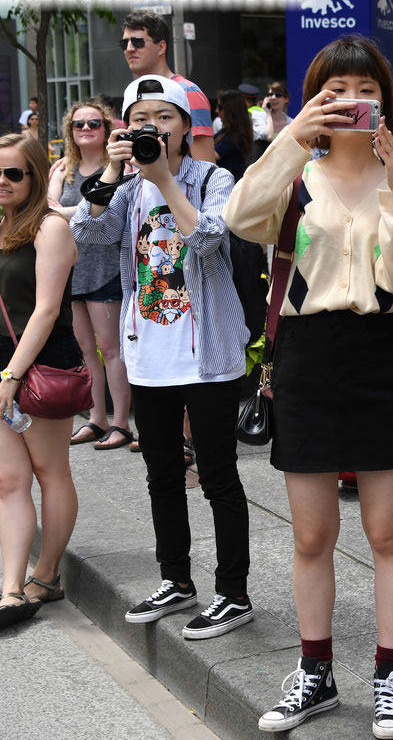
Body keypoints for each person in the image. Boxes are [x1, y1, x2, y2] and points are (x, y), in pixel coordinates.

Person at [224, 35, 393, 738]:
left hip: (377, 353)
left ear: (385, 97)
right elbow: (239, 218)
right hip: (306, 357)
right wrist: (291, 135)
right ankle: (315, 672)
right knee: (312, 534)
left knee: (386, 532)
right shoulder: (292, 178)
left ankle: (388, 677)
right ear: (316, 96)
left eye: (363, 87)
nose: (350, 101)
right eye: (334, 89)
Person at [71, 75, 254, 640]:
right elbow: (86, 233)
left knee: (219, 476)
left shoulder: (213, 177)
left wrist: (165, 181)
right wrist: (111, 171)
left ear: (185, 127)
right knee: (161, 475)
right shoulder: (124, 188)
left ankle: (233, 593)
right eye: (141, 117)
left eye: (165, 116)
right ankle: (176, 579)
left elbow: (208, 239)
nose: (154, 126)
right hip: (148, 357)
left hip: (209, 358)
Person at [0, 134, 82, 632]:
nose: (2, 181)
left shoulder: (50, 229)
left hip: (41, 361)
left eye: (14, 173)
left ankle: (46, 574)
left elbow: (48, 309)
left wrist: (12, 375)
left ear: (34, 176)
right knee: (9, 480)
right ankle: (11, 587)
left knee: (50, 472)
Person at [46, 100, 133, 452]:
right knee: (86, 349)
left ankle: (122, 424)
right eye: (78, 124)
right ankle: (96, 420)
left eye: (94, 123)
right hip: (72, 269)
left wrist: (67, 211)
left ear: (106, 128)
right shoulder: (63, 169)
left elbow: (105, 211)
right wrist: (74, 211)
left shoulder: (122, 168)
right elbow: (45, 209)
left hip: (106, 269)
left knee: (111, 348)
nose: (85, 129)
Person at [120, 11, 215, 163]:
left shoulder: (188, 92)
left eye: (138, 42)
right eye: (124, 43)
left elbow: (206, 166)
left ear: (161, 46)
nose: (129, 48)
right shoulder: (132, 93)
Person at [213, 90, 255, 181]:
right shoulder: (226, 133)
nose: (216, 110)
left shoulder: (235, 138)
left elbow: (208, 157)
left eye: (220, 107)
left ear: (230, 110)